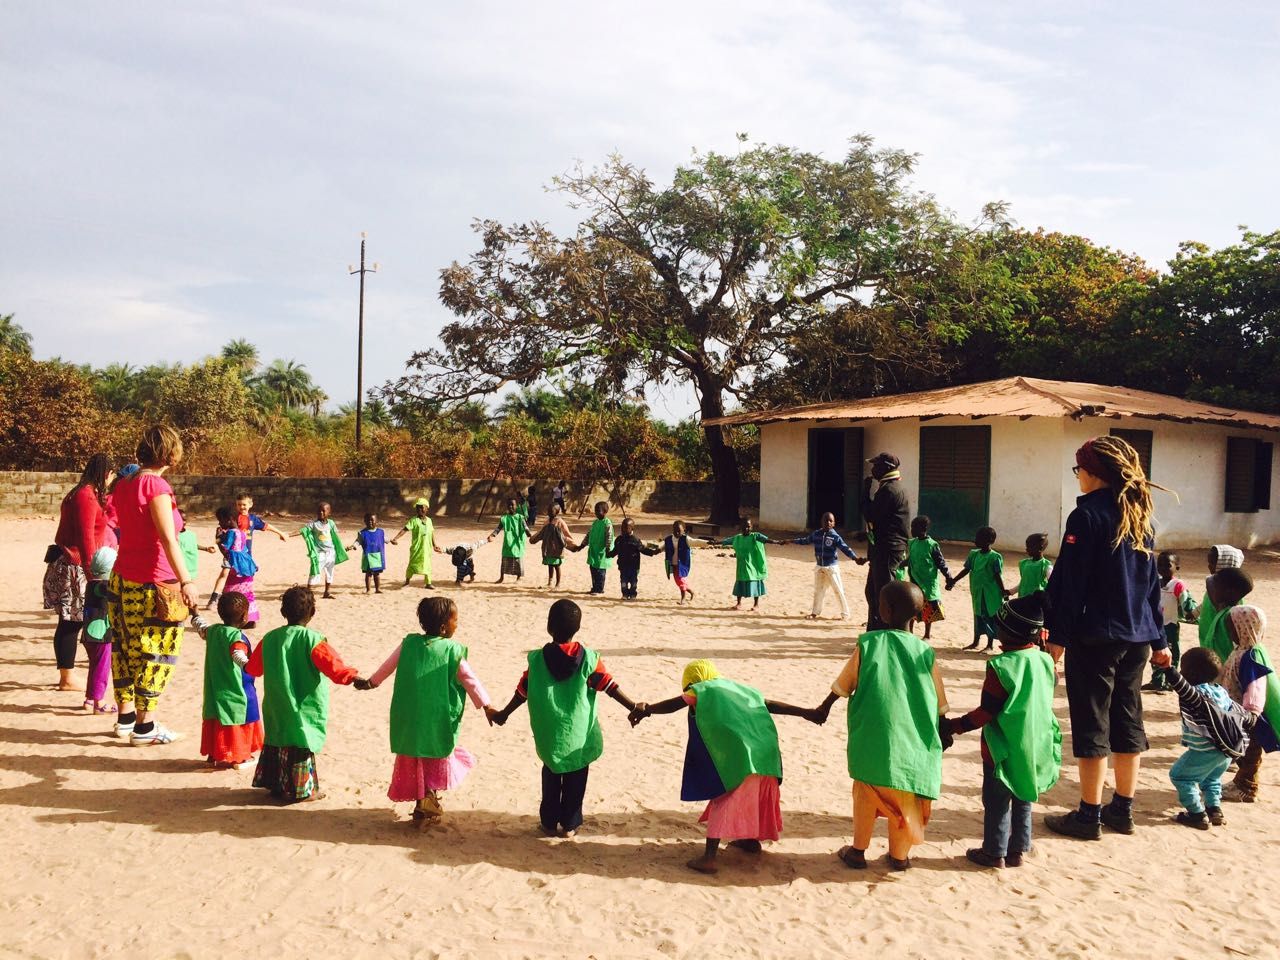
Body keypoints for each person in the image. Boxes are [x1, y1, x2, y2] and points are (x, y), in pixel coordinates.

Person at [1043, 436, 1169, 841]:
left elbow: (1070, 581)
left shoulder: (1086, 517)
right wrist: (1161, 639)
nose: (1077, 477)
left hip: (1096, 636)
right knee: (1128, 719)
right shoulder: (1141, 516)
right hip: (1138, 637)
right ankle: (1123, 809)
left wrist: (1058, 634)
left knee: (1092, 723)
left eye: (1079, 470)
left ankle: (1088, 814)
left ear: (1093, 473)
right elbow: (1151, 584)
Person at [628, 659, 824, 874]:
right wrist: (806, 712)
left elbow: (677, 703)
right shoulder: (743, 689)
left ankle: (709, 858)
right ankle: (749, 840)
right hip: (765, 754)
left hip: (739, 757)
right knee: (754, 796)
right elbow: (770, 705)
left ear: (692, 682)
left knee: (724, 799)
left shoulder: (702, 689)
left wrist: (647, 709)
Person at [814, 580, 947, 871]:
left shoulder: (869, 643)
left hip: (873, 742)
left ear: (884, 610)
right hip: (911, 747)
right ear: (917, 614)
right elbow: (938, 698)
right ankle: (899, 856)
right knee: (905, 802)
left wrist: (823, 708)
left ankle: (858, 851)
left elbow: (844, 683)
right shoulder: (926, 652)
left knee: (865, 795)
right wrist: (945, 727)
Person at [489, 599, 639, 837]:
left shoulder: (537, 660)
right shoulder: (589, 659)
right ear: (577, 629)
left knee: (551, 775)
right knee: (576, 778)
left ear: (549, 627)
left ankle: (548, 823)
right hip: (578, 734)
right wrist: (632, 706)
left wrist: (503, 714)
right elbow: (608, 685)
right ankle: (569, 824)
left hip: (550, 733)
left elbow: (523, 691)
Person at [941, 594, 1061, 868]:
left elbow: (986, 712)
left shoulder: (1001, 667)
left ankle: (994, 852)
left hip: (1002, 747)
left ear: (1010, 633)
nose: (996, 631)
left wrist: (954, 726)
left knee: (996, 801)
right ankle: (1018, 849)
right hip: (1035, 742)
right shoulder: (1045, 662)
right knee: (1023, 793)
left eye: (1000, 627)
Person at [359, 597, 498, 822]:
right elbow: (470, 680)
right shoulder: (453, 650)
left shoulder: (409, 643)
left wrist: (371, 682)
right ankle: (427, 800)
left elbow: (387, 666)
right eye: (455, 620)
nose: (457, 624)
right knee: (432, 755)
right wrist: (487, 706)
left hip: (410, 715)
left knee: (416, 756)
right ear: (443, 627)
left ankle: (424, 801)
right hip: (436, 717)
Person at [106, 425, 200, 745]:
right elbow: (168, 540)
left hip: (121, 579)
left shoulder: (124, 484)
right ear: (170, 454)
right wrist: (186, 581)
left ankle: (126, 718)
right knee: (156, 650)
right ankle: (145, 727)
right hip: (153, 582)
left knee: (125, 647)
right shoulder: (155, 486)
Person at [246, 586, 366, 803]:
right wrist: (354, 678)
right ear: (312, 613)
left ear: (283, 612)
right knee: (301, 741)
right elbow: (334, 667)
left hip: (276, 703)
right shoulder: (313, 640)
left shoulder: (270, 638)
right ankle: (304, 790)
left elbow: (254, 669)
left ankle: (276, 785)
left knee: (278, 739)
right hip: (304, 705)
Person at [45, 453, 115, 691]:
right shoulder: (85, 496)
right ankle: (66, 677)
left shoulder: (82, 493)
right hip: (76, 565)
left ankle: (68, 673)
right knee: (71, 622)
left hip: (74, 563)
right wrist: (92, 572)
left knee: (71, 621)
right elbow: (86, 537)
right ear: (106, 474)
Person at [1166, 647, 1253, 829]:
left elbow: (1182, 687)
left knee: (1180, 777)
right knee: (1212, 779)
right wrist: (1252, 718)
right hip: (1225, 752)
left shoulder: (1197, 696)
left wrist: (1168, 669)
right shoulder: (1220, 691)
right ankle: (1214, 810)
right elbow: (1240, 713)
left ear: (1189, 674)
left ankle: (1196, 814)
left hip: (1205, 750)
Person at [191, 593, 264, 769]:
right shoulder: (237, 637)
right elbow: (237, 654)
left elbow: (201, 626)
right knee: (238, 717)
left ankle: (213, 755)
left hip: (214, 689)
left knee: (216, 717)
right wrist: (250, 666)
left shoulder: (214, 631)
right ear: (244, 616)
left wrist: (194, 612)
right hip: (237, 689)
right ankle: (240, 758)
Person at [1220, 605, 1280, 804]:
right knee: (1240, 750)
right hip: (1234, 713)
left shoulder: (1251, 657)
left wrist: (1252, 712)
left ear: (1244, 628)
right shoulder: (1240, 651)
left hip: (1247, 716)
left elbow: (1256, 686)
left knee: (1250, 752)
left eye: (1232, 629)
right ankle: (1241, 781)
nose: (1230, 633)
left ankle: (1247, 787)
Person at [861, 452, 911, 629]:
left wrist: (865, 492)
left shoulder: (889, 490)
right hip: (885, 549)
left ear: (886, 468)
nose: (873, 469)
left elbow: (870, 514)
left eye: (876, 466)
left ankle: (884, 631)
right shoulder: (890, 488)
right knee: (873, 592)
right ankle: (874, 628)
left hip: (887, 550)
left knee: (883, 594)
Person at [208, 494, 286, 607]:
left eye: (244, 504)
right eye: (239, 504)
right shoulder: (233, 518)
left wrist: (281, 533)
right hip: (231, 554)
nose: (241, 507)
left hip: (245, 555)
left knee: (244, 578)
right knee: (225, 573)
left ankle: (242, 600)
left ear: (250, 504)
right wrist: (215, 545)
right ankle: (214, 598)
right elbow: (222, 536)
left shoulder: (253, 519)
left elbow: (266, 526)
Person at [792, 512, 864, 620]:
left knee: (838, 590)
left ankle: (845, 614)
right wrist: (791, 541)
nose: (828, 522)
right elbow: (805, 540)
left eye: (831, 521)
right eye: (826, 520)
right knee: (818, 591)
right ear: (821, 522)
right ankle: (815, 612)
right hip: (820, 567)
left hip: (832, 568)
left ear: (834, 523)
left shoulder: (835, 537)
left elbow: (845, 548)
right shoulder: (816, 534)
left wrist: (855, 558)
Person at [1143, 551, 1197, 693]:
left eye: (1168, 565)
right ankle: (1156, 681)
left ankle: (1169, 683)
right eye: (1159, 565)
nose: (1162, 568)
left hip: (1170, 625)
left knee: (1171, 653)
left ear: (1177, 567)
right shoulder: (1155, 583)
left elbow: (1186, 602)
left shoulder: (1177, 585)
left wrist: (1190, 613)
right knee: (1156, 652)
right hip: (1156, 625)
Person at [947, 526, 1007, 652]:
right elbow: (966, 569)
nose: (975, 540)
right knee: (978, 615)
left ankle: (989, 645)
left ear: (989, 541)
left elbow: (997, 575)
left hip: (991, 593)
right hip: (977, 591)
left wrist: (1003, 591)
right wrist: (954, 580)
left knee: (989, 615)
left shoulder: (995, 557)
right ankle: (976, 641)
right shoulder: (973, 554)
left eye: (979, 538)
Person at [713, 517, 784, 612]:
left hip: (754, 565)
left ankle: (756, 604)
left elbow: (766, 540)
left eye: (748, 527)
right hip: (742, 566)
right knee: (740, 582)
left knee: (755, 581)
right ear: (741, 527)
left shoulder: (756, 536)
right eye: (744, 527)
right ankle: (738, 603)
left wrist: (777, 542)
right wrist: (715, 542)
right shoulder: (737, 538)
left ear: (752, 527)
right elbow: (727, 541)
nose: (746, 529)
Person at [80, 546, 118, 714]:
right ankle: (99, 703)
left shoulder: (91, 584)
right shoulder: (104, 586)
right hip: (101, 636)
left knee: (95, 667)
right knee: (102, 669)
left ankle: (89, 699)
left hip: (90, 635)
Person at [1197, 563, 1254, 664]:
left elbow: (1239, 646)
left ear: (1228, 592)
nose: (1211, 592)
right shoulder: (1223, 611)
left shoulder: (1232, 617)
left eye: (1215, 588)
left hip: (1226, 666)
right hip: (1216, 663)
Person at [292, 502, 348, 600]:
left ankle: (327, 592)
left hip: (331, 553)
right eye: (319, 510)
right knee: (314, 572)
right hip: (320, 554)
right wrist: (288, 535)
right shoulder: (313, 524)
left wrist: (343, 544)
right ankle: (307, 593)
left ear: (329, 512)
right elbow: (303, 531)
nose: (321, 512)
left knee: (330, 573)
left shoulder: (331, 523)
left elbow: (335, 535)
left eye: (323, 510)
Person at [907, 515, 951, 640]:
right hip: (915, 579)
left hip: (928, 582)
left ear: (922, 528)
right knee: (913, 605)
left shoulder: (932, 545)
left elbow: (940, 562)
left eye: (913, 527)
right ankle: (910, 631)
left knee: (928, 608)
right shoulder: (913, 543)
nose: (911, 530)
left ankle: (927, 634)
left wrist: (948, 577)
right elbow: (910, 559)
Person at [217, 505, 261, 629]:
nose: (220, 523)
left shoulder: (231, 533)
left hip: (236, 569)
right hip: (246, 567)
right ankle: (250, 619)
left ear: (229, 519)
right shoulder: (241, 532)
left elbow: (226, 551)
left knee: (230, 593)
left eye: (221, 520)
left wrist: (218, 540)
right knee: (248, 594)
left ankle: (233, 619)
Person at [391, 498, 442, 589]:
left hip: (426, 548)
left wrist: (435, 545)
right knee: (412, 564)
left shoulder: (429, 521)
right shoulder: (413, 520)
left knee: (427, 564)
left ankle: (428, 583)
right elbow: (405, 530)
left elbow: (431, 533)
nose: (420, 510)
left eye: (422, 507)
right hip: (416, 548)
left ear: (427, 508)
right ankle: (407, 582)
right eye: (418, 508)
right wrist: (395, 538)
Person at [606, 517, 661, 600]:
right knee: (623, 581)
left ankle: (632, 595)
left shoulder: (635, 540)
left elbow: (643, 549)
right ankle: (624, 594)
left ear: (632, 528)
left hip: (633, 566)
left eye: (626, 528)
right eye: (622, 527)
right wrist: (609, 554)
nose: (623, 530)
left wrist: (653, 552)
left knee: (633, 582)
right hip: (623, 565)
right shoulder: (619, 540)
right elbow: (615, 551)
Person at [529, 504, 578, 589]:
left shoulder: (560, 522)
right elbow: (541, 532)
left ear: (557, 512)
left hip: (557, 549)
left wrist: (573, 545)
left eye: (551, 511)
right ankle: (550, 582)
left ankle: (558, 584)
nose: (549, 512)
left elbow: (566, 534)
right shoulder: (547, 521)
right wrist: (533, 538)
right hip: (548, 548)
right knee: (550, 565)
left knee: (557, 566)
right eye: (548, 510)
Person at [487, 497, 532, 585]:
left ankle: (519, 577)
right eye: (509, 505)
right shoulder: (504, 518)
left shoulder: (520, 517)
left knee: (518, 560)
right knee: (504, 560)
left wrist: (528, 534)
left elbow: (526, 527)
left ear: (516, 506)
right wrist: (492, 535)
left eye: (513, 505)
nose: (511, 506)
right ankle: (501, 577)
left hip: (518, 543)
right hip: (508, 543)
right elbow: (498, 528)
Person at [349, 513, 388, 594]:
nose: (370, 522)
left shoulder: (381, 532)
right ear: (364, 521)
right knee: (368, 573)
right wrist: (353, 546)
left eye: (372, 520)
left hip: (378, 556)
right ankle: (368, 589)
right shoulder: (362, 533)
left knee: (377, 574)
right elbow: (358, 541)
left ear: (376, 521)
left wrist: (391, 540)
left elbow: (385, 539)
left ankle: (378, 589)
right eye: (367, 520)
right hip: (367, 556)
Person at [585, 501, 615, 595]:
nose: (596, 513)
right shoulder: (595, 522)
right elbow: (589, 534)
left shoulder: (607, 523)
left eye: (599, 511)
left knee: (600, 571)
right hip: (593, 550)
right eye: (596, 511)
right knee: (593, 569)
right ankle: (594, 587)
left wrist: (607, 548)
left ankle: (600, 589)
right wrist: (582, 545)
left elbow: (609, 536)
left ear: (605, 512)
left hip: (602, 552)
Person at [663, 520, 695, 604]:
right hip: (673, 563)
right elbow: (663, 547)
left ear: (684, 530)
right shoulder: (669, 539)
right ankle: (691, 591)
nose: (677, 532)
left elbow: (696, 542)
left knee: (680, 580)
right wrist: (656, 550)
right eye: (675, 530)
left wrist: (707, 543)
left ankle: (683, 599)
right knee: (678, 581)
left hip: (682, 564)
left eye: (679, 531)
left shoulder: (686, 539)